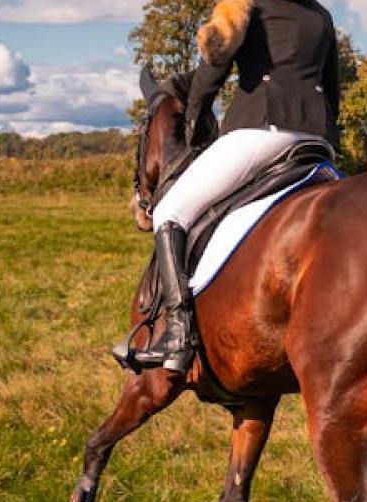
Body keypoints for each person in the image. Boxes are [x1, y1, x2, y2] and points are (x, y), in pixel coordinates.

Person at [124, 0, 342, 373]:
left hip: (261, 130)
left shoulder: (243, 4)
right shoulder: (321, 14)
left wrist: (194, 117)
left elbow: (215, 66)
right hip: (316, 141)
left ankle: (177, 332)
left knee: (169, 212)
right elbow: (333, 88)